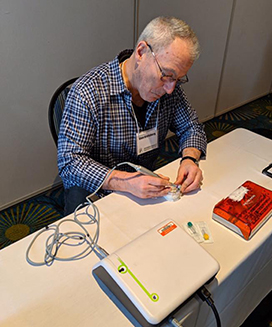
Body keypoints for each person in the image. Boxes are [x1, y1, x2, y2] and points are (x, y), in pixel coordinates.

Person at [58, 16, 207, 214]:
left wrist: (190, 159)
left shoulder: (169, 90)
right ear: (141, 52)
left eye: (178, 80)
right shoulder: (88, 92)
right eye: (167, 75)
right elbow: (70, 163)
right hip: (96, 195)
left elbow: (191, 127)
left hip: (145, 191)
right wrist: (127, 183)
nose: (171, 89)